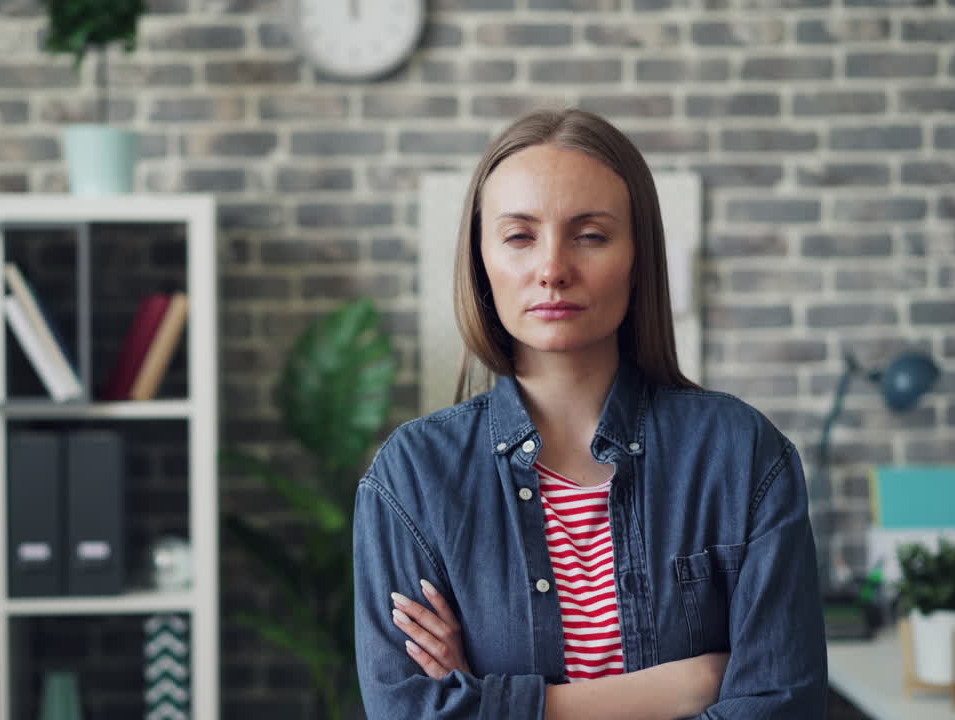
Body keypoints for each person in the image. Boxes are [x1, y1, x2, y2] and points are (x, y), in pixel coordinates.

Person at [353, 108, 827, 719]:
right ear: (480, 261)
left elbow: (783, 707)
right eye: (520, 236)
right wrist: (686, 686)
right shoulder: (413, 476)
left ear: (638, 260)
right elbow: (409, 712)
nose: (552, 269)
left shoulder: (741, 454)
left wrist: (491, 703)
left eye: (591, 235)